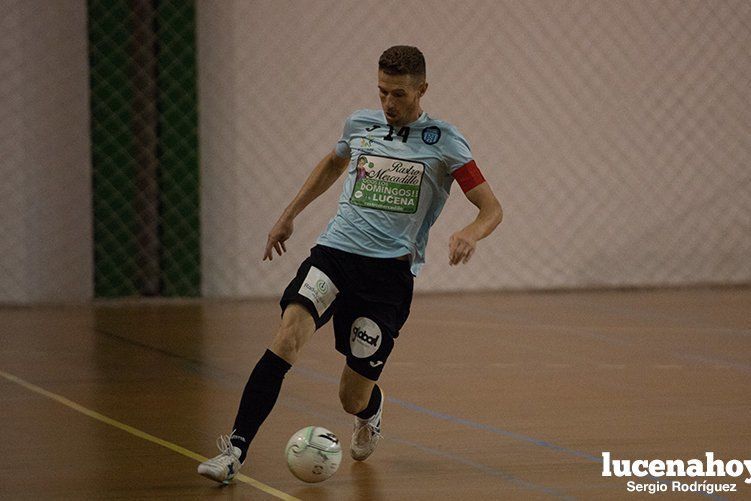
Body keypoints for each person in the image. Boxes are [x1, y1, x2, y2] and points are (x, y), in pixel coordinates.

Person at [198, 45, 503, 483]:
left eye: (399, 94)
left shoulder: (446, 142)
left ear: (422, 90)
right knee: (286, 338)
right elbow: (333, 163)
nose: (389, 104)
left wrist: (469, 233)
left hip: (387, 279)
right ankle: (235, 452)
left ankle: (371, 411)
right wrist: (288, 216)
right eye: (382, 93)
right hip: (335, 256)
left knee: (351, 396)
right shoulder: (361, 124)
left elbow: (491, 208)